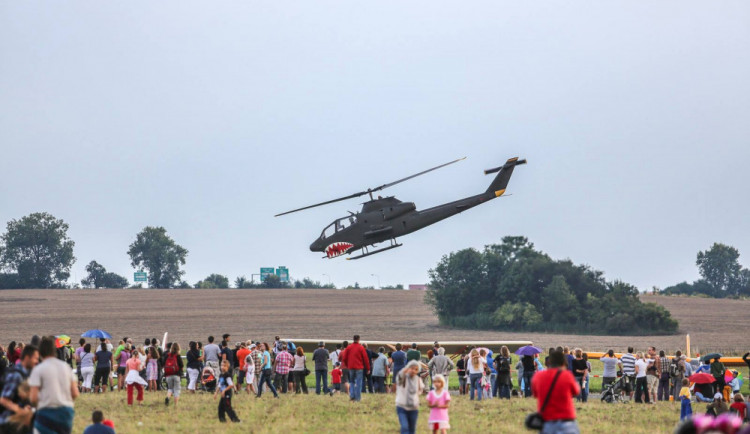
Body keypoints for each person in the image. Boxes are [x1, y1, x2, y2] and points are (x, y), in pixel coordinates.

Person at [29, 336, 78, 434]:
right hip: (66, 413)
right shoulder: (66, 367)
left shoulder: (38, 369)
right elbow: (75, 393)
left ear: (40, 351)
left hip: (46, 413)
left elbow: (33, 398)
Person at [531, 350, 580, 434]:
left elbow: (535, 394)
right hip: (567, 421)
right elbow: (576, 391)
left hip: (547, 422)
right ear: (564, 363)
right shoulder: (567, 375)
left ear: (548, 362)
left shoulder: (538, 376)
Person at [0, 344, 38, 433]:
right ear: (27, 357)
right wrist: (20, 411)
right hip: (9, 425)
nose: (36, 361)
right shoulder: (16, 375)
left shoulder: (25, 374)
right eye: (35, 358)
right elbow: (4, 400)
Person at [395, 361, 424, 434]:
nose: (413, 370)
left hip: (413, 408)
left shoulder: (418, 379)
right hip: (402, 407)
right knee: (404, 427)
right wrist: (405, 370)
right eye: (412, 368)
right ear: (408, 368)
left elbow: (420, 390)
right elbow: (399, 377)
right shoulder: (403, 377)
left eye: (416, 369)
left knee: (412, 429)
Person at [340, 335, 370, 402]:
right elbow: (365, 359)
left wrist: (348, 365)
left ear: (353, 339)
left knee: (352, 382)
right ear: (359, 339)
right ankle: (358, 398)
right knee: (359, 383)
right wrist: (368, 368)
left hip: (351, 367)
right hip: (359, 367)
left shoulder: (349, 347)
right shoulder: (361, 348)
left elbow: (344, 358)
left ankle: (352, 396)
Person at [164, 342, 183, 407]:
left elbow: (164, 363)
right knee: (177, 390)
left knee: (170, 388)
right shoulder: (178, 356)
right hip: (176, 374)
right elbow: (181, 365)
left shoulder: (167, 355)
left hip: (168, 374)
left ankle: (168, 397)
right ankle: (176, 405)